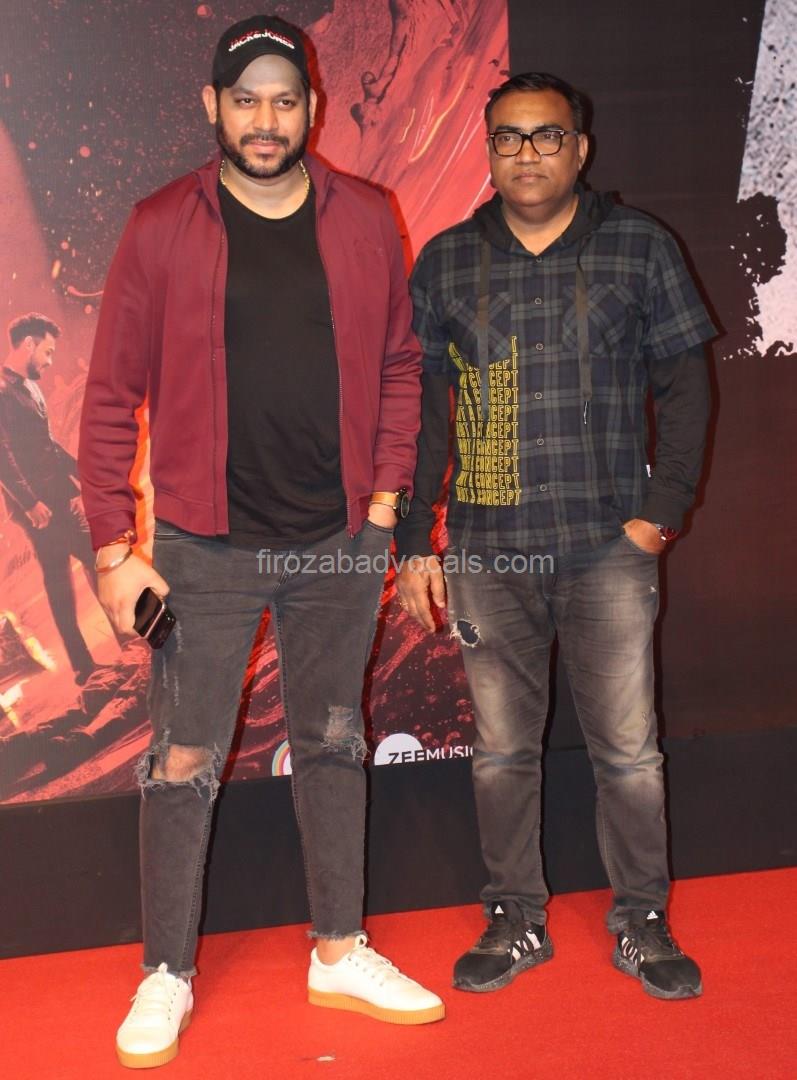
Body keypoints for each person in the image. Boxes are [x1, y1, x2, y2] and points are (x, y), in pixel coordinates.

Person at [78, 14, 444, 1069]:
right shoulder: (160, 224)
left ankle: (338, 948)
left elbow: (400, 365)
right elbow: (110, 396)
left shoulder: (365, 215)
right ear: (214, 108)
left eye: (285, 100)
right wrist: (113, 548)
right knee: (181, 762)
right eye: (246, 100)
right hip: (203, 547)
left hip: (339, 541)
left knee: (332, 740)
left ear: (313, 108)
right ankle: (165, 970)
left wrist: (383, 507)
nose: (267, 119)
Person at [396, 72, 714, 1001]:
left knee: (628, 751)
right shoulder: (446, 262)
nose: (526, 154)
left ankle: (641, 921)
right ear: (488, 150)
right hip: (487, 551)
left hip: (608, 548)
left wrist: (662, 510)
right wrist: (416, 538)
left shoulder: (639, 246)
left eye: (545, 136)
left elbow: (686, 387)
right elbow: (424, 416)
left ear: (580, 149)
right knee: (501, 751)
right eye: (507, 137)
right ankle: (514, 918)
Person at [0, 313, 106, 684]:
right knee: (73, 574)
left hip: (54, 499)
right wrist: (29, 503)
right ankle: (88, 666)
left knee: (88, 566)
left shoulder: (30, 387)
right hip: (40, 509)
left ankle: (91, 662)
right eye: (47, 351)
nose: (50, 360)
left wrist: (83, 475)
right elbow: (2, 455)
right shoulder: (1, 390)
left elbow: (47, 444)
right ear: (28, 344)